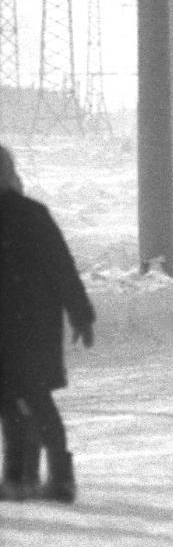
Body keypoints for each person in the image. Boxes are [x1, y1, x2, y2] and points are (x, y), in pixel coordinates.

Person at [0, 144, 95, 503]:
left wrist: (81, 312)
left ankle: (53, 478)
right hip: (30, 323)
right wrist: (80, 313)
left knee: (28, 398)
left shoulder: (30, 215)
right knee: (16, 399)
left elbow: (60, 267)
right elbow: (63, 266)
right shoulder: (33, 214)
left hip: (24, 324)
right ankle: (22, 477)